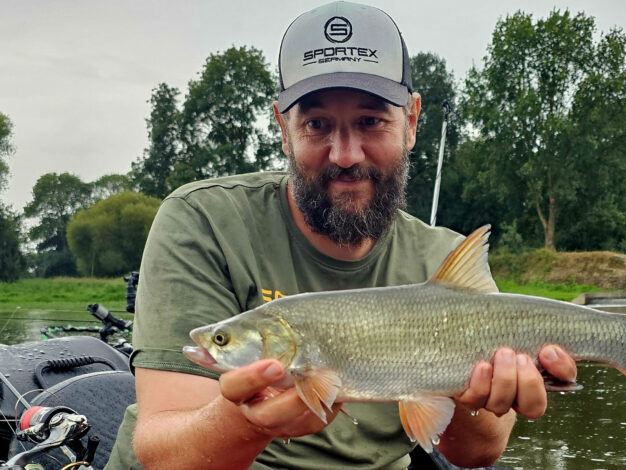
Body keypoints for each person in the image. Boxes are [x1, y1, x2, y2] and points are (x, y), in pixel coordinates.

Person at [106, 2, 577, 469]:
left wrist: (471, 396)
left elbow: (478, 453)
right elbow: (163, 455)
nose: (346, 154)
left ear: (411, 122)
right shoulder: (202, 220)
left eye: (371, 122)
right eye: (316, 125)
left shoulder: (443, 257)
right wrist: (249, 423)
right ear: (283, 131)